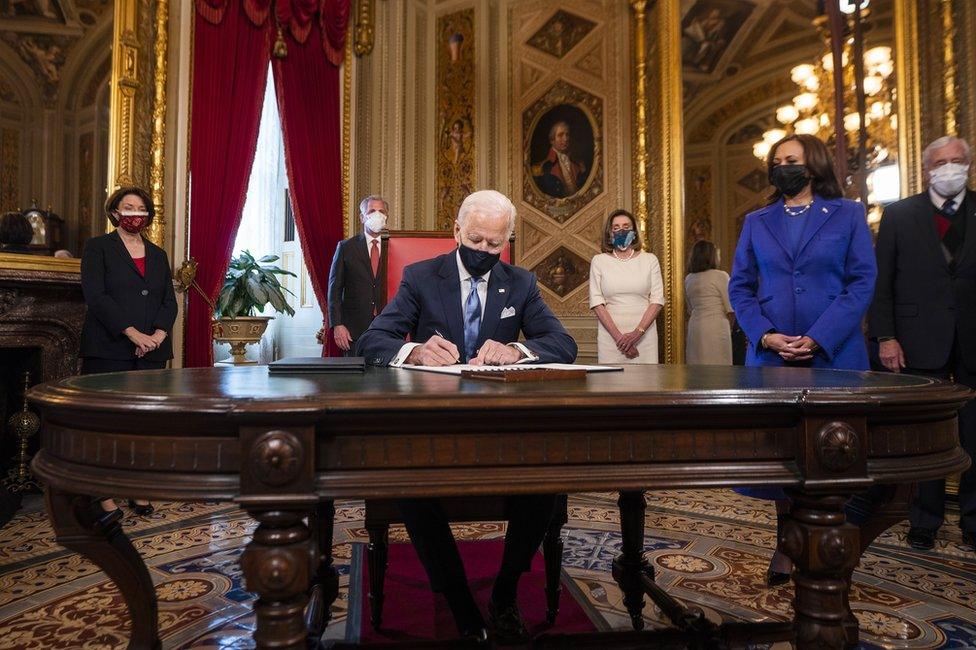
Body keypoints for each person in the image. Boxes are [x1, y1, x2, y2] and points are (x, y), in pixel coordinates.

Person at [357, 190, 576, 642]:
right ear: (457, 232)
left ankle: (505, 592)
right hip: (432, 428)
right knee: (409, 483)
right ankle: (460, 604)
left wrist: (516, 350)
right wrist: (414, 350)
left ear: (507, 242)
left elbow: (563, 345)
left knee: (548, 480)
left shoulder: (520, 283)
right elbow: (372, 341)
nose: (483, 252)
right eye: (475, 239)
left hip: (501, 429)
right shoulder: (421, 277)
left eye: (494, 245)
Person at [729, 134, 877, 584]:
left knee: (832, 452)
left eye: (790, 160)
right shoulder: (756, 221)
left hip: (835, 356)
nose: (782, 168)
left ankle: (831, 542)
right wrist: (767, 335)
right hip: (772, 358)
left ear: (812, 164)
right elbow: (741, 287)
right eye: (776, 162)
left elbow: (861, 282)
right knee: (782, 458)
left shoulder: (849, 214)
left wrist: (817, 338)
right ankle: (786, 546)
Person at [868, 135, 976, 552]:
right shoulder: (900, 214)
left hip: (971, 338)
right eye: (942, 162)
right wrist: (886, 336)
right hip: (917, 339)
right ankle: (924, 518)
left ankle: (972, 518)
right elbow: (884, 282)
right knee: (927, 435)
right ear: (928, 169)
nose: (950, 168)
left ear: (968, 165)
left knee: (974, 434)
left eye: (958, 160)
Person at [80, 186, 178, 521]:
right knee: (107, 424)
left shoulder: (158, 254)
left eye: (141, 208)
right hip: (109, 348)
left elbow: (169, 300)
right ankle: (103, 492)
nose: (135, 213)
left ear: (148, 216)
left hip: (151, 351)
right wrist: (133, 333)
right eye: (128, 207)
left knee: (142, 424)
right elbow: (97, 297)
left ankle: (138, 485)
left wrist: (157, 336)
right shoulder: (98, 248)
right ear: (116, 213)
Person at [588, 209, 665, 364]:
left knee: (645, 384)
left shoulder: (650, 260)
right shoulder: (599, 261)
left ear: (634, 232)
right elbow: (596, 303)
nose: (621, 230)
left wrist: (637, 333)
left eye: (625, 226)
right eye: (616, 228)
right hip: (610, 337)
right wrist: (620, 339)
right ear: (609, 233)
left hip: (644, 335)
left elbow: (657, 300)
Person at [320, 196, 388, 355]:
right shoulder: (346, 247)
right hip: (354, 331)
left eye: (382, 211)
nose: (377, 215)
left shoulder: (394, 246)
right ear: (362, 217)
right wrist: (337, 325)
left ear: (387, 217)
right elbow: (334, 289)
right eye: (371, 211)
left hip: (387, 328)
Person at [685, 240, 733, 364]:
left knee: (697, 369)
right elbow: (731, 308)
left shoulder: (689, 278)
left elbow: (689, 309)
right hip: (716, 327)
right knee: (718, 369)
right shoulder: (721, 276)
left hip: (695, 327)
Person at [532, 120, 587, 198]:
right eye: (560, 135)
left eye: (567, 135)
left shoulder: (579, 164)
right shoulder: (541, 168)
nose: (565, 139)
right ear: (552, 140)